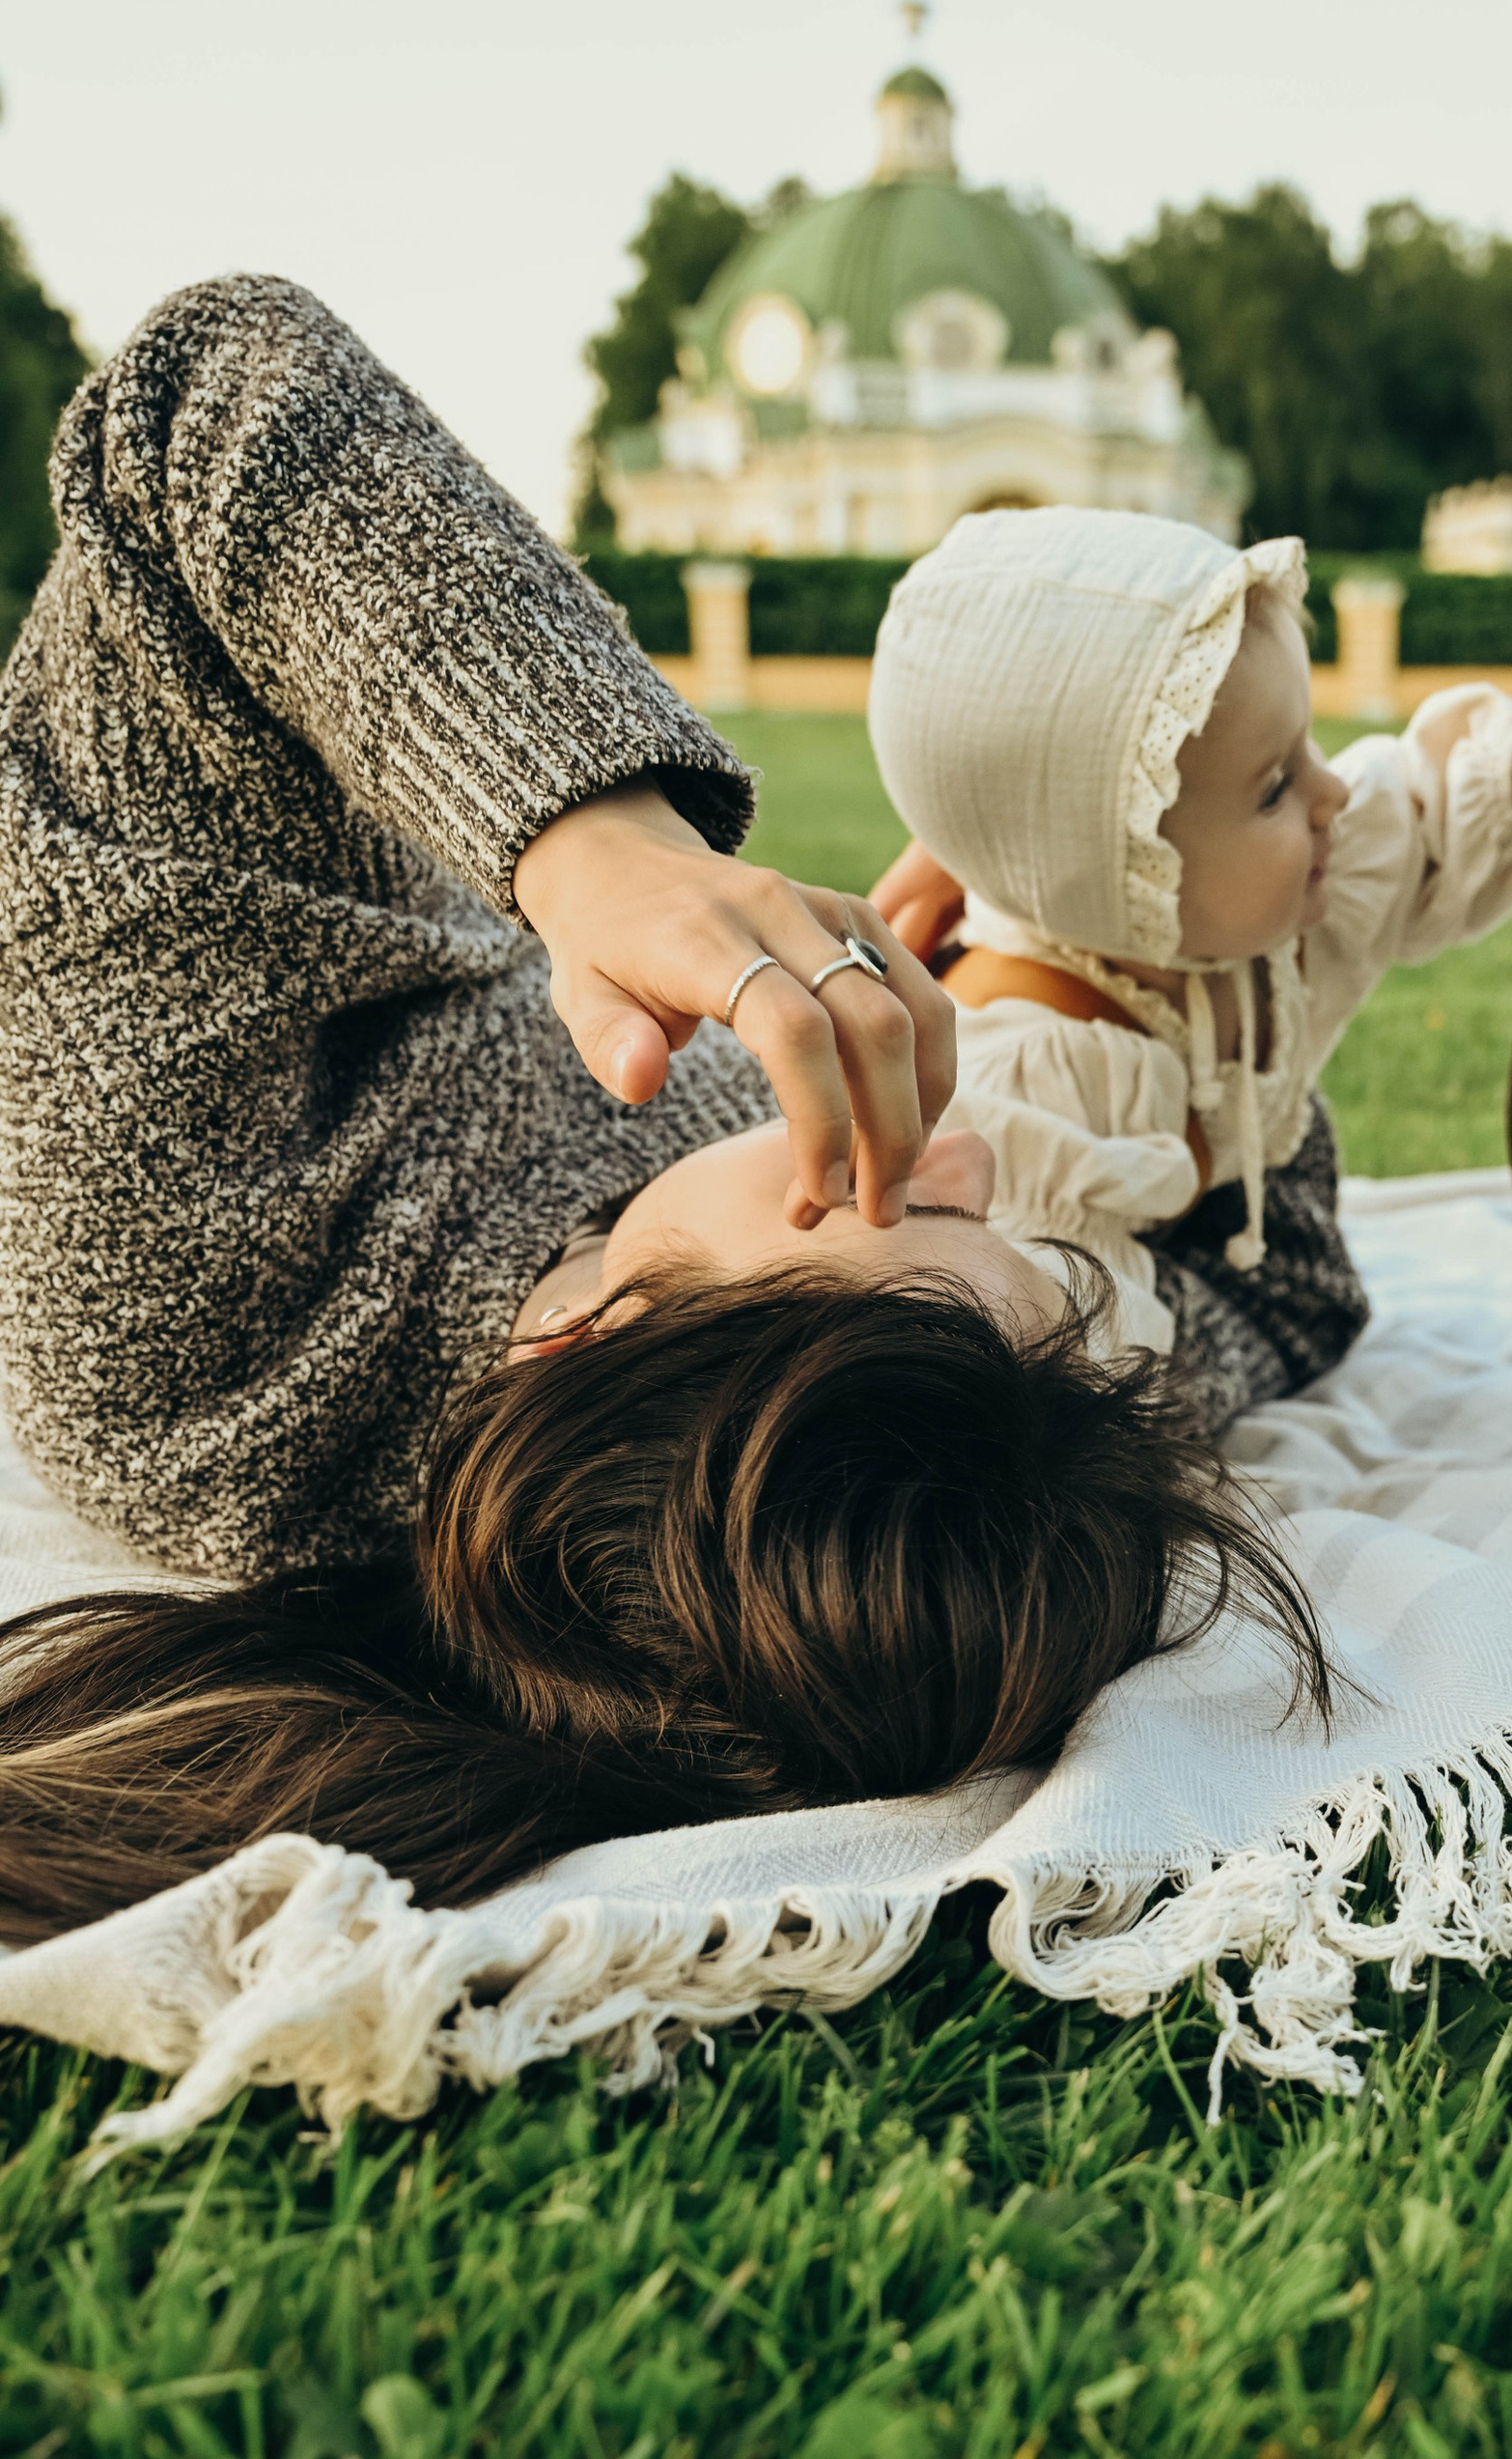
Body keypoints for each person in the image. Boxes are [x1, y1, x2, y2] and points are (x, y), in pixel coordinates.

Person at [0, 278, 1322, 1936]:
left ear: (581, 1328)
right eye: (1022, 1241)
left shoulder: (196, 1301)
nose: (970, 1140)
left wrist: (590, 843)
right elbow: (1280, 1280)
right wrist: (1104, 992)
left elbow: (205, 403)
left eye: (908, 1197)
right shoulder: (949, 1464)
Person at [864, 507, 1512, 1428]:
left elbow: (1416, 821)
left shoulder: (1254, 897)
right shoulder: (1019, 1069)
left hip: (1267, 1208)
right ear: (1121, 874)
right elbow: (1035, 1308)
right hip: (1119, 1282)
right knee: (1117, 1392)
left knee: (1299, 1274)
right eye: (1274, 785)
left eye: (1308, 749)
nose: (1330, 792)